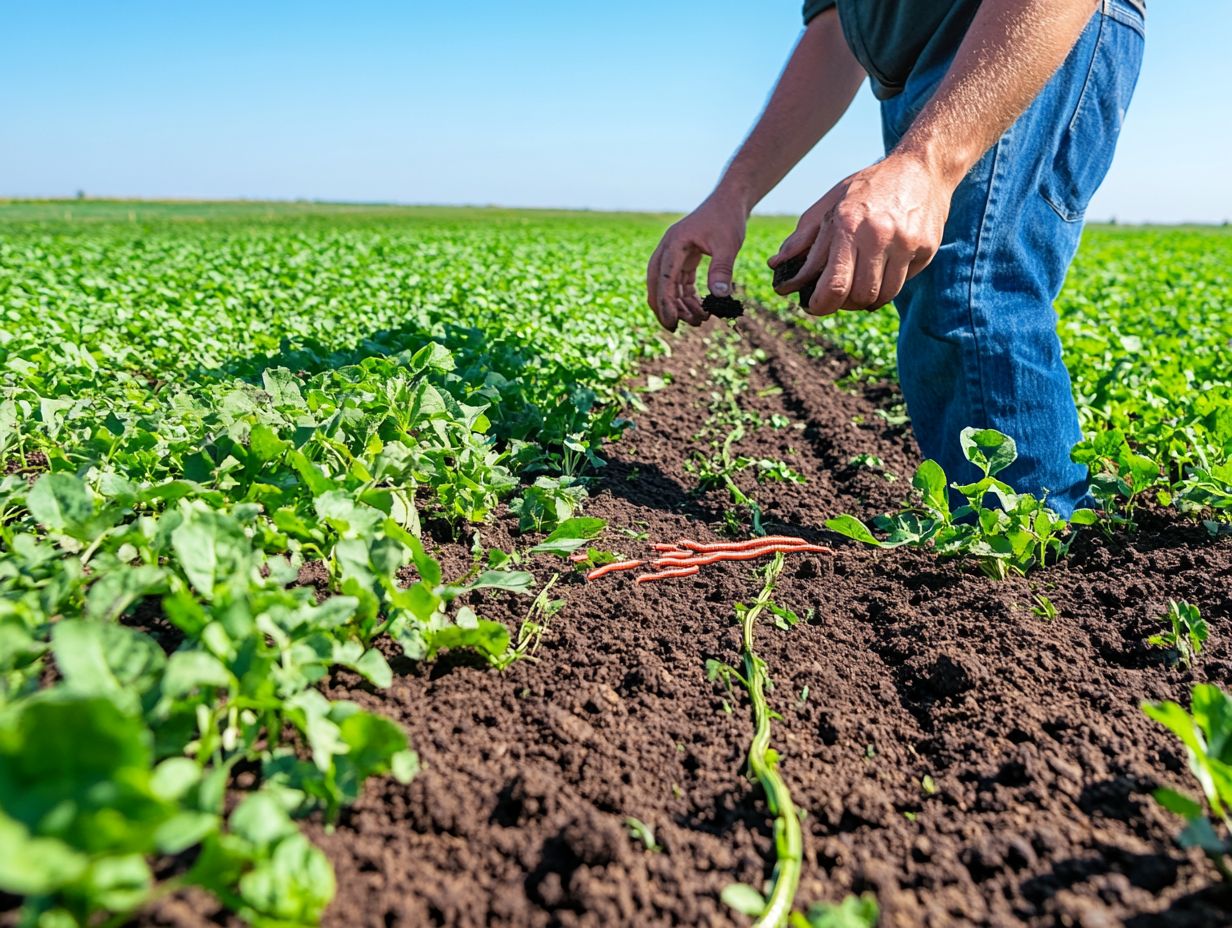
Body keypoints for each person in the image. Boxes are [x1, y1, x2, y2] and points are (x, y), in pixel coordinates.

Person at [646, 0, 1144, 518]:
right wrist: (732, 194)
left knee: (968, 285)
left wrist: (924, 160)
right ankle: (984, 536)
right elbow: (838, 28)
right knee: (934, 285)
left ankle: (1027, 550)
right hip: (921, 70)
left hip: (1018, 28)